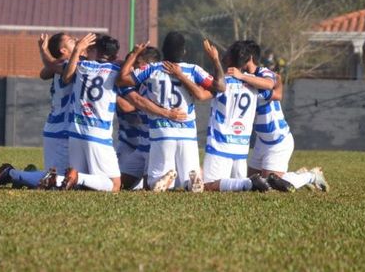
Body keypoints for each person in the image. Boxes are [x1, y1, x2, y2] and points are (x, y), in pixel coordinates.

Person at [0, 32, 95, 189]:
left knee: (67, 178)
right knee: (61, 182)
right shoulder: (69, 63)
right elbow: (52, 69)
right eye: (70, 40)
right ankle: (11, 174)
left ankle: (29, 174)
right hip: (61, 129)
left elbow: (44, 72)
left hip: (58, 128)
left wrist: (46, 53)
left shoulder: (61, 64)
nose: (76, 40)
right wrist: (46, 52)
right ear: (63, 50)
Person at [116, 32, 225, 192]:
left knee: (152, 183)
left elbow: (122, 79)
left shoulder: (151, 69)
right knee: (188, 178)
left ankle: (162, 180)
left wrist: (134, 54)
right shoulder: (193, 70)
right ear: (184, 52)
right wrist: (215, 59)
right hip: (187, 132)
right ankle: (192, 181)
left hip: (161, 131)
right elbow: (220, 87)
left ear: (163, 49)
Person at [165, 41, 275, 192]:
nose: (224, 54)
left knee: (208, 187)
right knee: (233, 190)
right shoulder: (255, 83)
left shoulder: (221, 84)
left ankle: (248, 183)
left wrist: (180, 75)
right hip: (241, 147)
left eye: (227, 51)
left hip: (220, 145)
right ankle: (246, 183)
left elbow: (200, 95)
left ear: (230, 59)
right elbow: (272, 88)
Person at [243, 41, 329, 192]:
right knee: (252, 184)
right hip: (261, 141)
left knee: (270, 187)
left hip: (278, 141)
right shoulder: (244, 78)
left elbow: (275, 80)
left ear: (248, 57)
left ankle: (311, 175)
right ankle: (297, 175)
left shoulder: (264, 73)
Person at [54, 34, 124, 192]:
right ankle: (76, 177)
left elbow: (66, 78)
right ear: (114, 55)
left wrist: (78, 49)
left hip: (76, 132)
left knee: (81, 186)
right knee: (114, 184)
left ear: (96, 51)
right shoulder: (115, 70)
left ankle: (55, 179)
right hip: (98, 134)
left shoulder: (83, 66)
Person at [116, 46, 188, 190]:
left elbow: (129, 106)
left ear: (144, 66)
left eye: (135, 64)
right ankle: (172, 179)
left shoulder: (152, 86)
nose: (132, 68)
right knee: (121, 185)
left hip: (153, 145)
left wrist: (110, 94)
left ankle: (174, 180)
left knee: (149, 188)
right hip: (140, 146)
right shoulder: (138, 83)